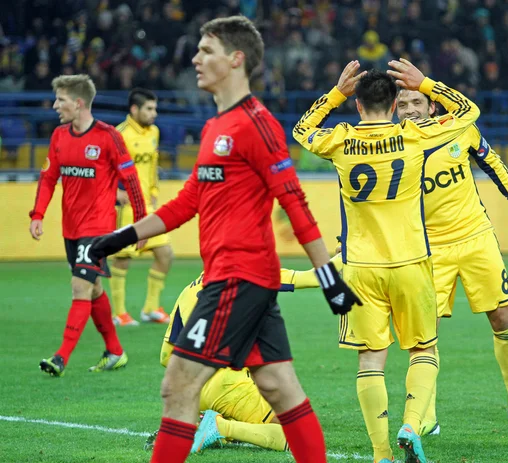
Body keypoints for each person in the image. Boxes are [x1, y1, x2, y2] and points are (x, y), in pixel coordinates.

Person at [89, 16, 360, 463]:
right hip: (241, 279)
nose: (195, 58)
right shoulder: (217, 126)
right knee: (279, 386)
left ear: (236, 60)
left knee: (178, 384)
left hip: (238, 279)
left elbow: (294, 201)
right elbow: (188, 201)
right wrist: (119, 237)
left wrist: (327, 276)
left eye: (206, 50)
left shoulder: (257, 124)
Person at [293, 59, 481, 463]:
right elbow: (469, 112)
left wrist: (335, 93)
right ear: (396, 104)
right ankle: (412, 424)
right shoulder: (415, 135)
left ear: (358, 106)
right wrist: (426, 84)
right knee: (424, 349)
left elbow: (301, 130)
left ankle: (381, 455)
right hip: (412, 261)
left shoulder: (340, 140)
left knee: (370, 359)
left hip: (360, 267)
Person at [395, 86, 508, 434]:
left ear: (431, 105)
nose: (410, 109)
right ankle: (426, 415)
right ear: (393, 110)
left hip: (476, 238)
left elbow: (492, 162)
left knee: (502, 318)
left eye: (416, 102)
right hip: (428, 249)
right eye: (402, 104)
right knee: (425, 334)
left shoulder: (459, 127)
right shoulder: (391, 146)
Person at [146, 256, 343, 454]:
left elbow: (166, 356)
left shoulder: (188, 291)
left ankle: (209, 425)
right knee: (297, 435)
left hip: (197, 388)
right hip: (231, 384)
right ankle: (220, 427)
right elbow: (313, 278)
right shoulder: (252, 274)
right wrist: (345, 254)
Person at [29, 74, 147, 377]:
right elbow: (48, 178)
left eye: (61, 100)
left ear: (78, 103)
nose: (55, 105)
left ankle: (60, 357)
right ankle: (115, 351)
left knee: (79, 286)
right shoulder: (59, 136)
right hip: (72, 228)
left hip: (98, 227)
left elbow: (131, 180)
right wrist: (38, 214)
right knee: (93, 288)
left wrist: (142, 222)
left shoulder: (108, 137)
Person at [111, 88, 174, 326]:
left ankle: (150, 308)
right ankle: (119, 312)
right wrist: (114, 192)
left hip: (147, 205)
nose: (154, 113)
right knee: (123, 258)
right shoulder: (119, 134)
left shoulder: (154, 132)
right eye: (149, 108)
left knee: (165, 254)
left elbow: (153, 164)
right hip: (126, 206)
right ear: (134, 109)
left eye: (155, 108)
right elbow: (104, 168)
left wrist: (155, 191)